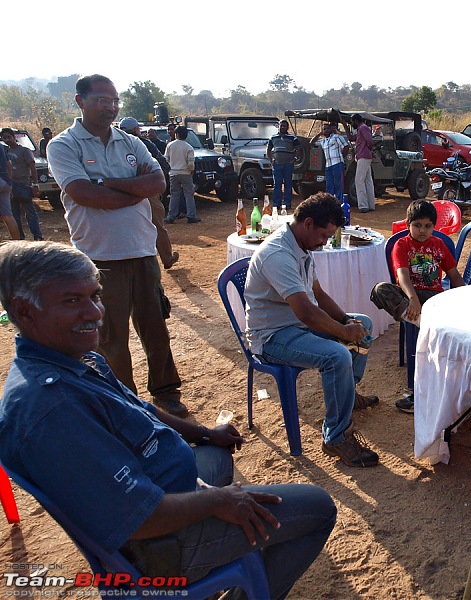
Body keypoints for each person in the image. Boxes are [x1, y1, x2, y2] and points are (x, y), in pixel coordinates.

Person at [0, 241, 337, 599]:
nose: (95, 312)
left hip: (166, 492)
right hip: (158, 544)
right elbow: (139, 518)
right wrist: (218, 500)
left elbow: (139, 409)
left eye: (95, 295)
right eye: (72, 301)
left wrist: (205, 433)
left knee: (216, 455)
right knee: (318, 508)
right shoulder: (53, 407)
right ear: (25, 312)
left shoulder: (76, 359)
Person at [46, 74, 186, 417]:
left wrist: (108, 183)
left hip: (142, 251)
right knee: (110, 336)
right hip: (99, 258)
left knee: (155, 327)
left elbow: (157, 181)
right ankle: (125, 400)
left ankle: (167, 392)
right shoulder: (64, 145)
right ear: (80, 101)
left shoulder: (130, 142)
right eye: (101, 100)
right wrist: (131, 189)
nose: (110, 107)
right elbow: (83, 194)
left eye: (114, 101)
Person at [245, 193, 381, 468]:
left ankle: (348, 395)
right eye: (323, 235)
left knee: (363, 323)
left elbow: (318, 295)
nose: (325, 242)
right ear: (308, 223)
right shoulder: (278, 254)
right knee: (337, 356)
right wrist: (344, 333)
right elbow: (306, 312)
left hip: (297, 327)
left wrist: (346, 321)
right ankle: (336, 438)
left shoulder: (303, 246)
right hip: (273, 337)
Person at [370, 200, 465, 413]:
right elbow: (402, 275)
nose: (422, 230)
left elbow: (454, 275)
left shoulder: (439, 245)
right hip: (408, 296)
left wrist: (465, 297)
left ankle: (423, 321)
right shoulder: (401, 245)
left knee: (457, 304)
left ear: (434, 226)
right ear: (408, 225)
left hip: (434, 297)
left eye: (428, 226)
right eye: (417, 225)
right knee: (380, 290)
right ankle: (423, 322)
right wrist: (412, 299)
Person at [118, 117, 179, 269]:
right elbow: (162, 164)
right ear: (136, 129)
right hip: (146, 190)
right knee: (157, 225)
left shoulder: (114, 145)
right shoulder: (143, 144)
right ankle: (167, 258)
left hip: (120, 191)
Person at [0, 127, 44, 241]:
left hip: (24, 184)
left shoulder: (24, 150)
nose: (7, 140)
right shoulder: (6, 151)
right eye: (4, 138)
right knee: (15, 214)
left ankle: (38, 237)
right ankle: (20, 239)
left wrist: (35, 184)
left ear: (15, 137)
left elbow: (33, 168)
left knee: (30, 212)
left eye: (9, 137)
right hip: (11, 186)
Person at [165, 125, 201, 224]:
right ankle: (191, 216)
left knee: (174, 195)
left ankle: (171, 216)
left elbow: (166, 159)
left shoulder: (170, 145)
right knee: (189, 195)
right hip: (185, 173)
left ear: (176, 134)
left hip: (173, 173)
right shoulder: (189, 147)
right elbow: (190, 163)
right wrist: (191, 170)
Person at [267, 119, 300, 212]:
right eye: (281, 126)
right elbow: (268, 149)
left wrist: (295, 159)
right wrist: (271, 160)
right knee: (277, 185)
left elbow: (298, 149)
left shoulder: (292, 138)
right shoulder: (273, 137)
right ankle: (276, 204)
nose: (283, 127)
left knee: (288, 184)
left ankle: (287, 204)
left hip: (288, 165)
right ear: (279, 126)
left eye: (285, 126)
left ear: (287, 127)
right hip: (277, 164)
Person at [311, 122, 349, 202]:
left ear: (331, 129)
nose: (326, 130)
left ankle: (339, 203)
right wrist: (319, 134)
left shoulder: (337, 137)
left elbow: (346, 146)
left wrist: (342, 156)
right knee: (329, 186)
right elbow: (311, 142)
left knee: (338, 185)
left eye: (328, 128)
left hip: (337, 164)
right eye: (324, 129)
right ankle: (330, 204)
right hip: (328, 166)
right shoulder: (322, 141)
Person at [349, 113, 376, 213]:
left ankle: (363, 206)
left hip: (363, 156)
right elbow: (351, 138)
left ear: (356, 121)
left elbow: (369, 140)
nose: (352, 124)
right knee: (368, 181)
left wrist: (368, 148)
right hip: (366, 156)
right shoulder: (362, 129)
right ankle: (370, 204)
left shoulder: (362, 128)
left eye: (352, 122)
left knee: (359, 181)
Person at [0, 142, 21, 240]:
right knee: (8, 216)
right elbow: (9, 164)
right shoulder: (1, 146)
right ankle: (17, 246)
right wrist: (9, 182)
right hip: (5, 182)